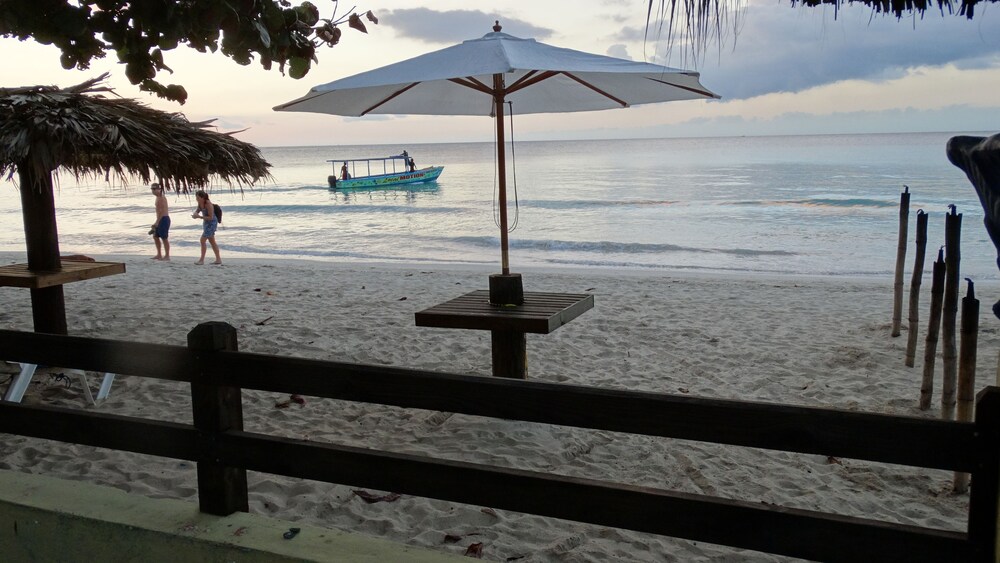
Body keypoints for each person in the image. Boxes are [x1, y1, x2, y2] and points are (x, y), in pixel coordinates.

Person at [191, 189, 221, 265]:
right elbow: (198, 210)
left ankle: (201, 260)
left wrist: (199, 217)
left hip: (212, 223)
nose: (197, 199)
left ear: (202, 198)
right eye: (196, 198)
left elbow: (211, 217)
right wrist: (195, 214)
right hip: (206, 223)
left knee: (202, 240)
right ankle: (218, 259)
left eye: (198, 198)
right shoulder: (200, 203)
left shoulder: (208, 204)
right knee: (212, 242)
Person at [150, 182, 170, 261]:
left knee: (164, 238)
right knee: (155, 236)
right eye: (152, 189)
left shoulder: (161, 198)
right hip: (159, 219)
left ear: (159, 189)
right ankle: (159, 254)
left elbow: (161, 211)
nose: (153, 191)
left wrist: (157, 222)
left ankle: (167, 256)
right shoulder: (157, 197)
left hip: (164, 219)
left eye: (155, 189)